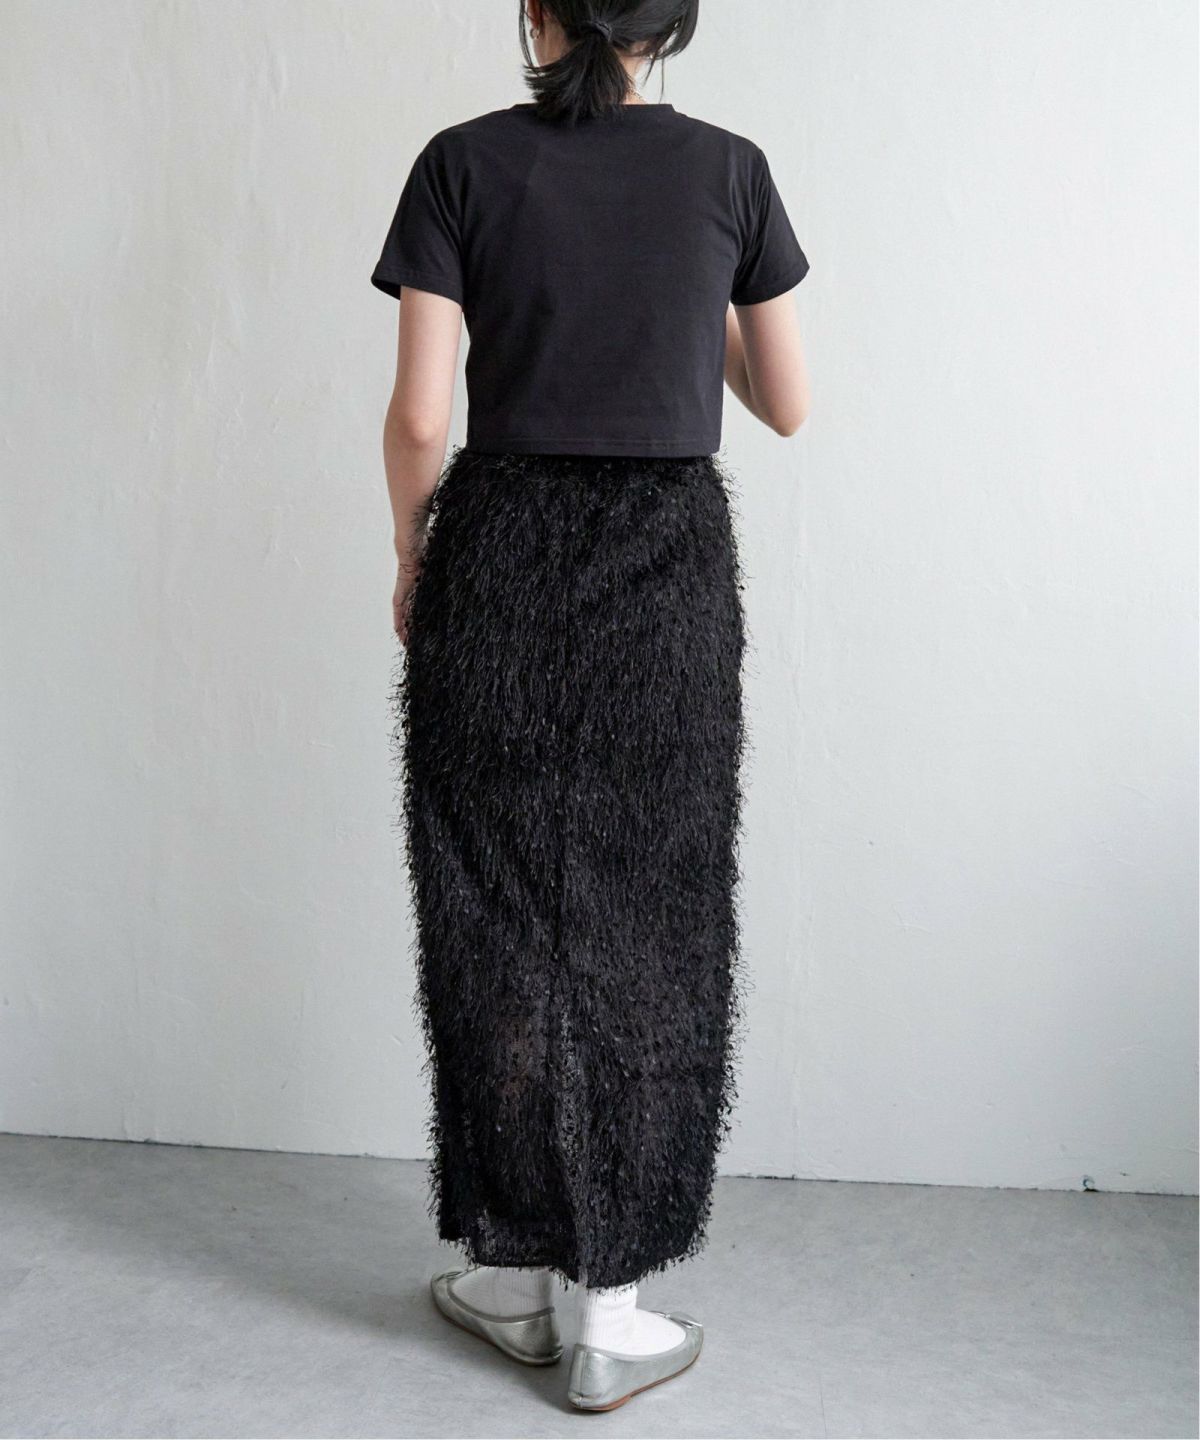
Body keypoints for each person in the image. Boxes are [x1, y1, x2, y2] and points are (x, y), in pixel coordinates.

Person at [371, 0, 810, 1413]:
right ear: (671, 24)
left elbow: (422, 418)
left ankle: (513, 1274)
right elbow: (787, 402)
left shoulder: (460, 163)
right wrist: (694, 305)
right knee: (654, 913)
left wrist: (412, 555)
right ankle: (610, 1310)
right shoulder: (730, 170)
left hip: (497, 553)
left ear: (537, 10)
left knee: (491, 908)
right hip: (667, 570)